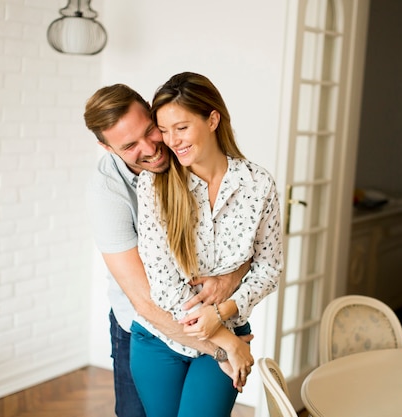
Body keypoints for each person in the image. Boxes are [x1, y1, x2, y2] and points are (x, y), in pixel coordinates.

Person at [83, 84, 253, 417]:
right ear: (106, 147)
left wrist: (229, 279)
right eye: (130, 145)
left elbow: (244, 240)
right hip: (145, 326)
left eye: (150, 131)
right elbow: (144, 300)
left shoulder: (189, 152)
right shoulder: (106, 193)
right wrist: (222, 348)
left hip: (208, 316)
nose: (151, 148)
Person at [130, 72, 283, 417]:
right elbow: (163, 283)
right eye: (164, 130)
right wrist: (223, 340)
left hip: (228, 327)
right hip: (160, 341)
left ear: (212, 119)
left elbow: (269, 267)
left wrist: (222, 313)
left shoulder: (257, 185)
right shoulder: (154, 185)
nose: (171, 141)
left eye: (181, 128)